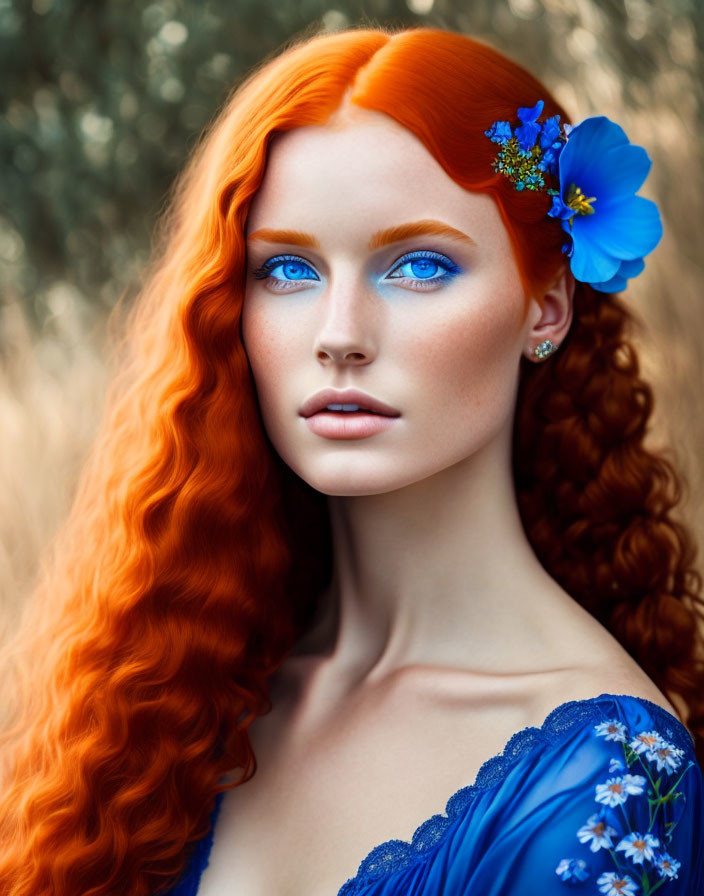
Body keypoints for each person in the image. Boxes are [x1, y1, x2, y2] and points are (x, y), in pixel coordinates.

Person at [0, 24, 702, 896]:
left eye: (418, 265)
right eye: (287, 270)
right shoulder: (176, 691)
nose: (338, 336)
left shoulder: (611, 776)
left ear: (545, 308)